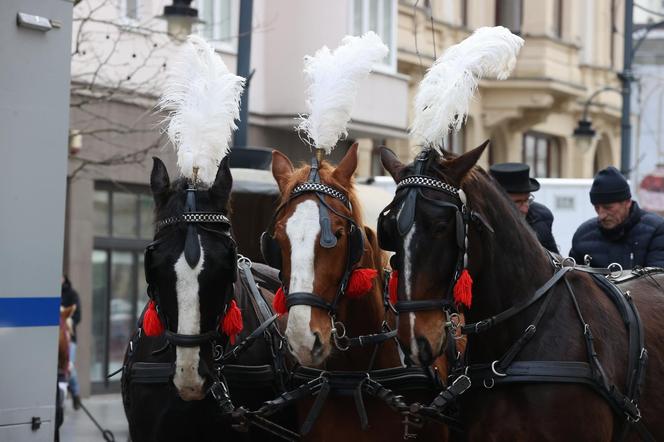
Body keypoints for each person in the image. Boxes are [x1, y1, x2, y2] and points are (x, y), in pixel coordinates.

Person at [569, 166, 664, 269]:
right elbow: (571, 281)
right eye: (597, 208)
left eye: (608, 207)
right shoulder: (583, 236)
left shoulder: (656, 231)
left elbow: (657, 281)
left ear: (627, 202)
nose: (601, 215)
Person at [489, 162, 559, 253]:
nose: (525, 209)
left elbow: (555, 262)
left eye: (527, 200)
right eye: (517, 202)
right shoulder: (480, 224)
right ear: (497, 202)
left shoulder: (541, 218)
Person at [61, 276, 81, 410]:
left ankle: (75, 393)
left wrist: (67, 322)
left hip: (69, 337)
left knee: (69, 367)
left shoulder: (72, 295)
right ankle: (60, 401)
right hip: (56, 340)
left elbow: (77, 316)